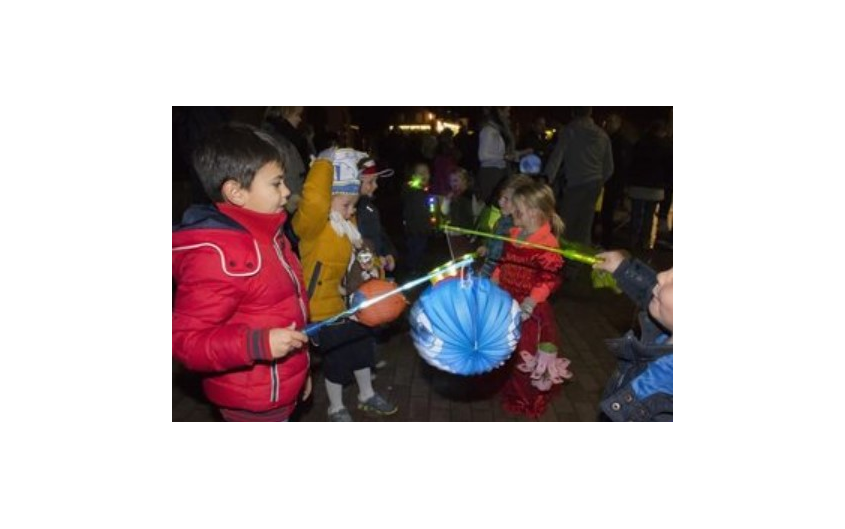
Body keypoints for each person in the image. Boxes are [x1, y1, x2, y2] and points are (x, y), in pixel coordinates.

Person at [172, 124, 310, 433]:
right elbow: (186, 343)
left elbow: (288, 312)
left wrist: (301, 371)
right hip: (252, 407)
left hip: (284, 393)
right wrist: (256, 344)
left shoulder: (274, 237)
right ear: (236, 192)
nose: (287, 191)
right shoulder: (218, 257)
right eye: (276, 183)